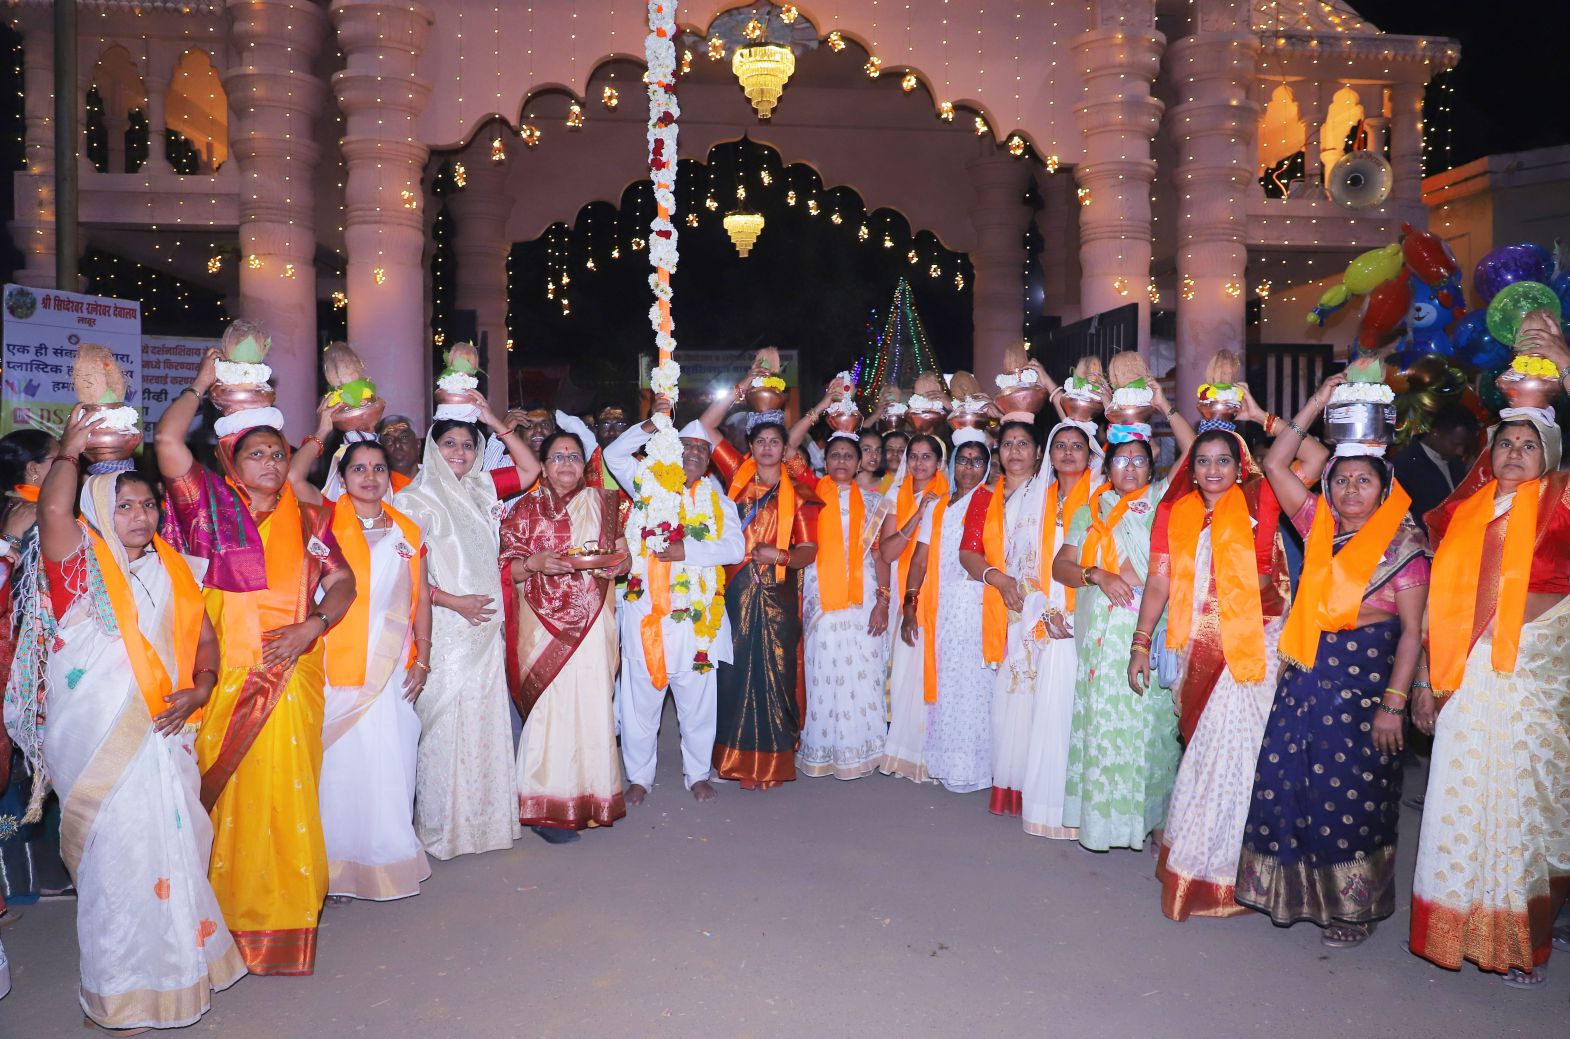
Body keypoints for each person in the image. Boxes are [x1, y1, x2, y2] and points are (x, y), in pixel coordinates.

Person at [30, 411, 244, 1029]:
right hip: (100, 742)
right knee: (119, 864)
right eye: (125, 507)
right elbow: (51, 515)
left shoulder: (175, 568)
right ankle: (121, 987)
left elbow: (206, 643)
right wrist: (70, 454)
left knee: (174, 850)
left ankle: (180, 975)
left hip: (167, 733)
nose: (142, 517)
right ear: (98, 508)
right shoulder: (81, 567)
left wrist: (200, 689)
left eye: (148, 506)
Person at [155, 348, 356, 975]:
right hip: (222, 683)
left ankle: (284, 928)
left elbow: (343, 582)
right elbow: (165, 439)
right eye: (256, 454)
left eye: (277, 452)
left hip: (292, 676)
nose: (270, 463)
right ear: (230, 460)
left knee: (287, 802)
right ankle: (218, 930)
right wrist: (200, 383)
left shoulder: (314, 513)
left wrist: (312, 627)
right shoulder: (206, 509)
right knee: (227, 806)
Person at [1236, 374, 1429, 946]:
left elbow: (1414, 631)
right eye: (1340, 480)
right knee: (1290, 789)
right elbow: (1276, 466)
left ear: (1383, 486)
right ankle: (1290, 893)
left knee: (1353, 797)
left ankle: (1355, 909)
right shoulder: (1318, 526)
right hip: (1303, 684)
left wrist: (1394, 704)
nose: (1348, 491)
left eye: (1362, 481)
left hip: (1363, 696)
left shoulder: (1405, 548)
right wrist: (1317, 403)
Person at [1128, 387, 1321, 921]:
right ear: (1191, 468)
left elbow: (1315, 459)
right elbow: (1159, 582)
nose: (1212, 469)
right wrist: (1141, 643)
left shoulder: (1262, 496)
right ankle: (1205, 871)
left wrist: (1265, 416)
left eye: (1223, 461)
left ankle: (1251, 874)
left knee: (1249, 760)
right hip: (1197, 649)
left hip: (1255, 647)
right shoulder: (1175, 511)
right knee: (1206, 758)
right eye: (1203, 461)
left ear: (1242, 464)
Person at [1410, 404, 1570, 986]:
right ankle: (1456, 929)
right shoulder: (1466, 513)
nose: (1515, 453)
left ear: (1549, 457)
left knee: (1523, 803)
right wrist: (1426, 680)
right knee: (1465, 796)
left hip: (1535, 678)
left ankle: (1523, 942)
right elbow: (1438, 604)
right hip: (1467, 678)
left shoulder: (1560, 501)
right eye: (1506, 442)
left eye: (1530, 445)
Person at [288, 425, 433, 903]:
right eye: (358, 469)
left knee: (390, 761)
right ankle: (333, 866)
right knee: (338, 767)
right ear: (342, 475)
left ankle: (385, 861)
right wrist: (323, 429)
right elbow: (290, 476)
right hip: (334, 660)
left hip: (392, 666)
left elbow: (422, 598)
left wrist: (424, 658)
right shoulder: (325, 520)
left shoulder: (408, 529)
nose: (369, 477)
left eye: (377, 468)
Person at [393, 393, 539, 860]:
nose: (460, 453)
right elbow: (400, 578)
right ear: (432, 449)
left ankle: (486, 824)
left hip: (486, 627)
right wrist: (452, 601)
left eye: (468, 445)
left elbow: (531, 470)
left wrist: (493, 419)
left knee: (482, 723)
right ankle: (441, 829)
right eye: (450, 444)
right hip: (445, 627)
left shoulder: (482, 489)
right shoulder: (412, 499)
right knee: (443, 729)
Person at [1054, 384, 1194, 851]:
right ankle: (1106, 821)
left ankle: (1155, 821)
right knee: (1107, 728)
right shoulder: (1092, 510)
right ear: (1106, 465)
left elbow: (1196, 451)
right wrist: (1097, 574)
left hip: (1147, 630)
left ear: (1151, 459)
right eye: (1120, 459)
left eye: (1137, 458)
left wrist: (1163, 404)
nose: (1129, 467)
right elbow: (1062, 567)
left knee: (1149, 729)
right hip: (1100, 636)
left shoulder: (1162, 502)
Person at [603, 403, 745, 803]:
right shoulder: (647, 486)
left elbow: (734, 549)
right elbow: (614, 455)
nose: (694, 455)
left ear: (710, 462)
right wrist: (652, 422)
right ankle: (639, 777)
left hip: (694, 623)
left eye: (702, 451)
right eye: (686, 448)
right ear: (671, 451)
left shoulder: (720, 504)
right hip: (646, 613)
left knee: (698, 704)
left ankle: (698, 773)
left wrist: (688, 549)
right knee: (639, 703)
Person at [500, 430, 632, 841]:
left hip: (593, 623)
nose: (567, 464)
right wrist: (536, 562)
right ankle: (543, 807)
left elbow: (623, 560)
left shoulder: (607, 504)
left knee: (592, 705)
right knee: (550, 711)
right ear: (542, 465)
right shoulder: (525, 509)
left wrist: (613, 567)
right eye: (557, 457)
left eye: (573, 456)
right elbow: (506, 568)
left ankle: (591, 798)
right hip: (543, 626)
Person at [701, 373, 820, 790]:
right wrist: (740, 390)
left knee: (776, 674)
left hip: (779, 595)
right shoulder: (736, 477)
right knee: (733, 673)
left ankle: (772, 761)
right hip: (734, 591)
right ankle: (731, 758)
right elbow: (705, 428)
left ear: (785, 448)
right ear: (749, 447)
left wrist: (780, 555)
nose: (767, 448)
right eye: (760, 442)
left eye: (775, 442)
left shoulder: (802, 495)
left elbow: (810, 550)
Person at [0, 428, 68, 910]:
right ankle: (27, 874)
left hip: (25, 656)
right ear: (32, 471)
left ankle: (24, 874)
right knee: (29, 769)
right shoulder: (26, 515)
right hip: (21, 660)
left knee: (26, 770)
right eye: (55, 461)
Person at [799, 432, 891, 779]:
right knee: (824, 667)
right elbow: (791, 446)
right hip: (821, 595)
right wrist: (821, 408)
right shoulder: (809, 497)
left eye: (848, 456)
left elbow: (881, 555)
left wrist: (882, 601)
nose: (840, 461)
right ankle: (825, 751)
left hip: (863, 595)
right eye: (834, 454)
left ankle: (865, 750)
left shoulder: (873, 503)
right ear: (824, 459)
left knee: (865, 668)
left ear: (859, 462)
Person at [909, 431, 994, 794]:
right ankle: (946, 761)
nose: (969, 468)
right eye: (963, 459)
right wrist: (910, 603)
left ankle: (974, 765)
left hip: (976, 602)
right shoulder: (939, 505)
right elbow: (920, 558)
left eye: (977, 460)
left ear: (988, 466)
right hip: (941, 606)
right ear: (953, 464)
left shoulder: (992, 502)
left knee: (974, 684)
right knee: (946, 681)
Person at [877, 433, 946, 781]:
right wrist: (918, 513)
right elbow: (887, 553)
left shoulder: (949, 495)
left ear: (939, 462)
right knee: (905, 668)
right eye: (913, 456)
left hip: (940, 596)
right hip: (905, 590)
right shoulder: (897, 495)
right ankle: (906, 750)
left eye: (927, 457)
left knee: (931, 668)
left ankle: (930, 753)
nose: (919, 464)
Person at [1390, 404, 1478, 532]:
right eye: (1455, 444)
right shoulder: (1405, 465)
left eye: (1464, 445)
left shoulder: (1455, 461)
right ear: (1436, 433)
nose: (1460, 451)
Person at [375, 415, 421, 491]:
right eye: (388, 440)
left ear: (418, 445)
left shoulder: (438, 479)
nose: (397, 444)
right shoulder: (376, 490)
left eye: (404, 437)